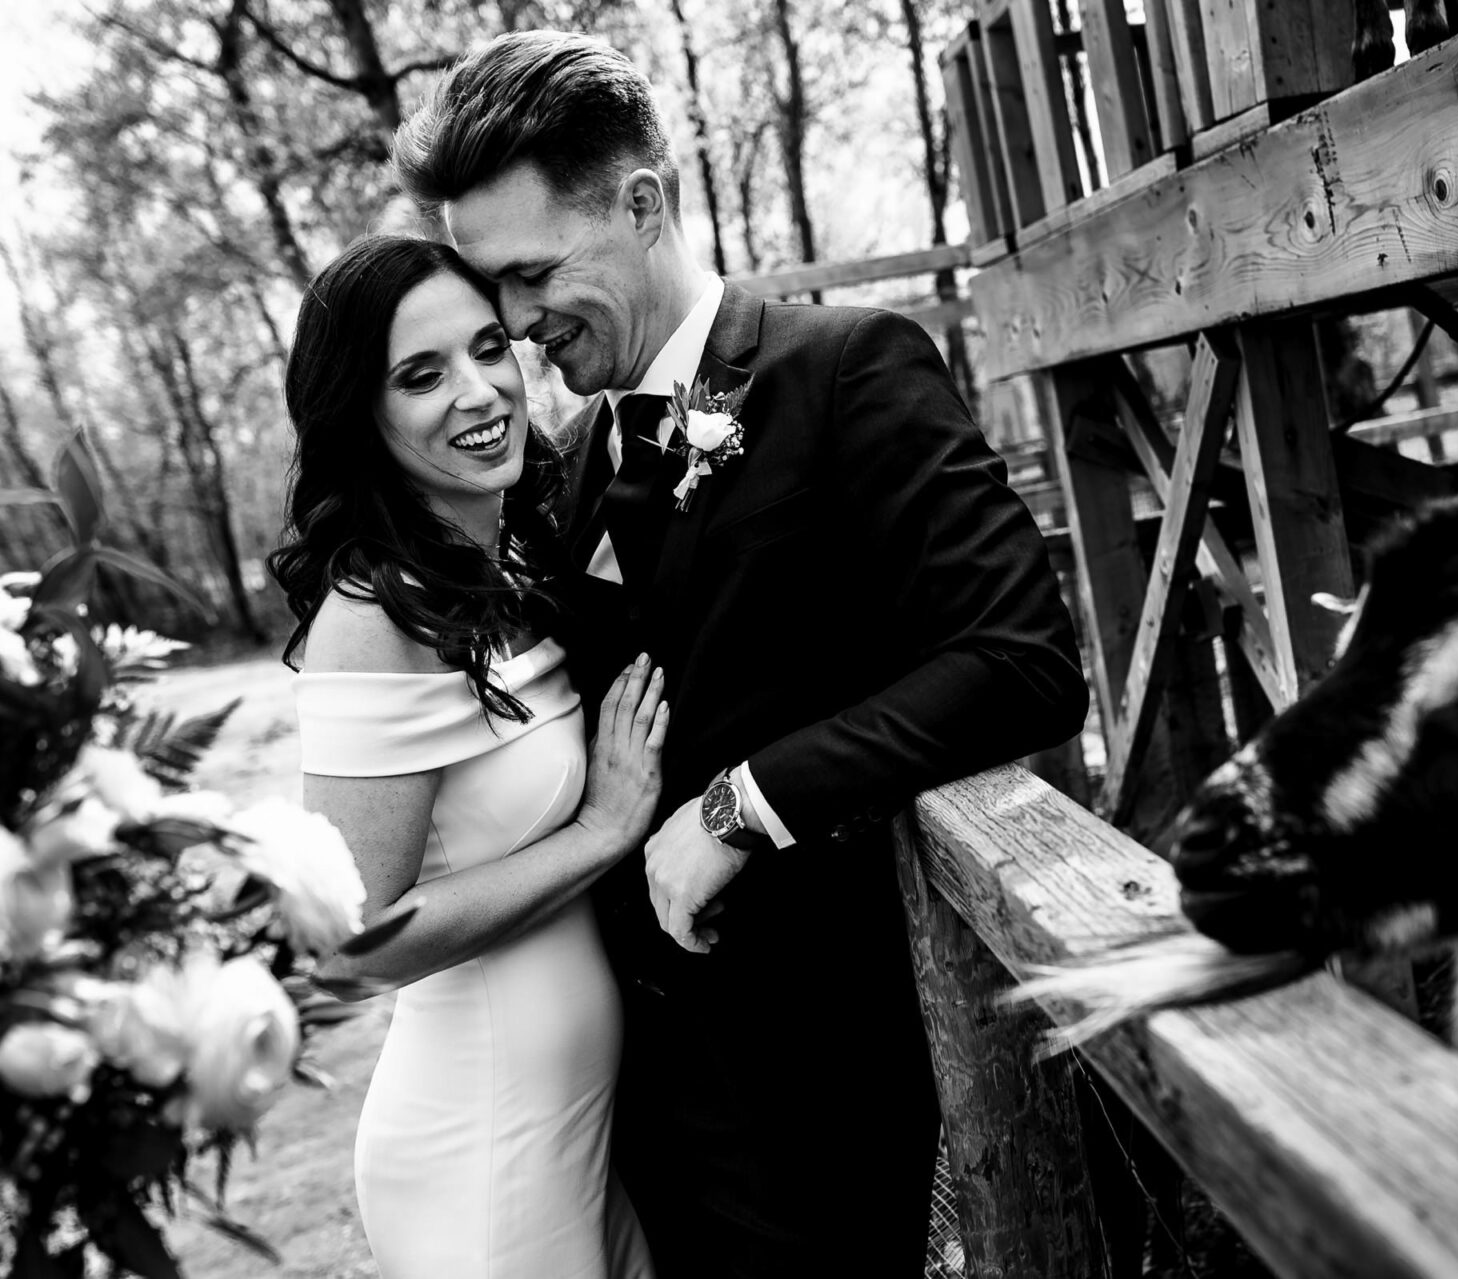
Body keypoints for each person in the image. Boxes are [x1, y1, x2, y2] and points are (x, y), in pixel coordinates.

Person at [392, 30, 1091, 1277]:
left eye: (535, 270)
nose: (515, 319)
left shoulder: (848, 371)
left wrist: (742, 805)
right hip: (636, 1088)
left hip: (818, 1062)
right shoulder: (565, 470)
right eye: (491, 282)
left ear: (644, 204)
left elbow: (1022, 654)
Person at [269, 234, 664, 1279]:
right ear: (363, 411)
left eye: (490, 346)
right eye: (421, 374)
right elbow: (358, 940)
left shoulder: (515, 558)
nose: (481, 390)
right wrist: (605, 832)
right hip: (484, 1152)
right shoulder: (371, 615)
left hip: (586, 1129)